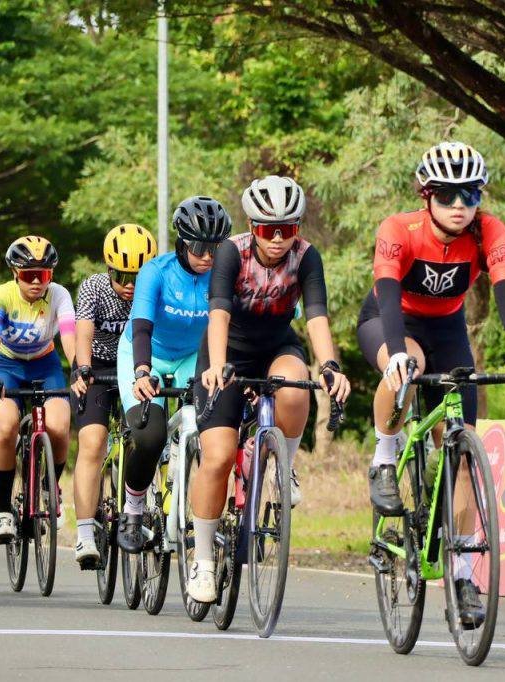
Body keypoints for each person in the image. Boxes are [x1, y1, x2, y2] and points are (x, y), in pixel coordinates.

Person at [356, 142, 505, 625]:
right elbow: (389, 295)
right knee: (409, 365)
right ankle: (385, 457)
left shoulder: (488, 230)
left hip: (449, 330)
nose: (460, 205)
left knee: (460, 455)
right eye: (448, 195)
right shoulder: (400, 229)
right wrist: (395, 353)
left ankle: (459, 572)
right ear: (427, 195)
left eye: (470, 194)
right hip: (392, 321)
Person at [188, 176, 351, 603]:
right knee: (220, 456)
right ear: (251, 225)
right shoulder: (230, 251)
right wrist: (220, 365)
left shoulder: (306, 256)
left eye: (288, 229)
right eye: (267, 229)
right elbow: (218, 313)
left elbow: (315, 315)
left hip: (277, 345)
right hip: (228, 350)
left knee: (296, 389)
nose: (278, 239)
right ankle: (203, 561)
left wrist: (330, 365)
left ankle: (284, 466)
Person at [115, 197, 232, 554]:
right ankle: (133, 509)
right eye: (199, 247)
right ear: (182, 241)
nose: (208, 256)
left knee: (206, 431)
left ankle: (198, 516)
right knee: (150, 438)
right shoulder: (157, 271)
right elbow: (141, 327)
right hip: (144, 353)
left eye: (215, 248)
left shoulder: (221, 275)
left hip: (191, 358)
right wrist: (141, 371)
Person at [69, 224, 158, 567]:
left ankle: (141, 509)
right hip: (98, 368)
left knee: (147, 439)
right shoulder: (93, 288)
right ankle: (85, 534)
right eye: (122, 276)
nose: (130, 286)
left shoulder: (153, 291)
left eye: (137, 276)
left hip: (136, 367)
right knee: (93, 442)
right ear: (109, 270)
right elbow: (84, 331)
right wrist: (82, 367)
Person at [0, 237, 76, 543]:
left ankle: (50, 490)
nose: (36, 281)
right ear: (14, 273)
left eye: (44, 275)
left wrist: (78, 369)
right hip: (8, 367)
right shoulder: (1, 296)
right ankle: (5, 509)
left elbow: (69, 337)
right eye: (27, 275)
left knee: (60, 426)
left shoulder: (59, 295)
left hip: (44, 364)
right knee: (7, 428)